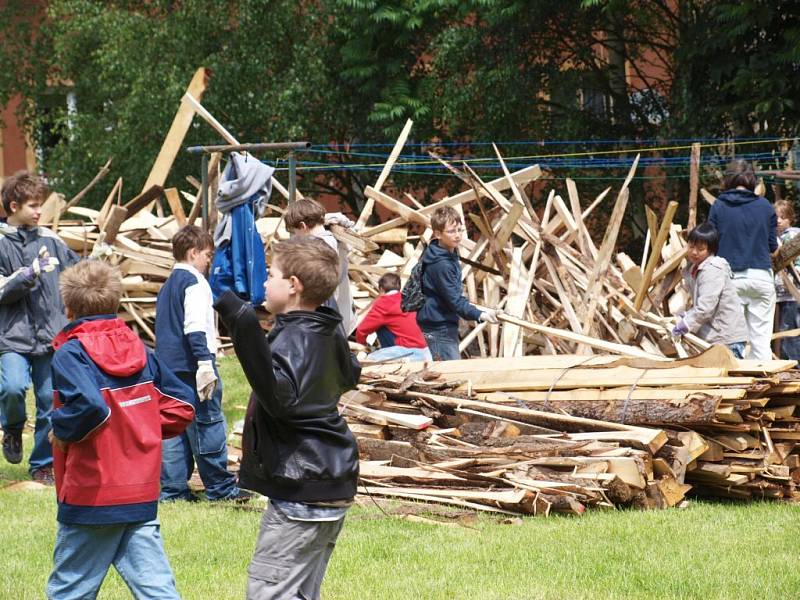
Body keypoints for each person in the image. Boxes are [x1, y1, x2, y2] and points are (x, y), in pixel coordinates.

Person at [214, 236, 361, 600]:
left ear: (293, 286)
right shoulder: (327, 329)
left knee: (270, 593)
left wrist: (242, 323)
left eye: (271, 274)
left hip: (304, 488)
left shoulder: (297, 339)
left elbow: (281, 399)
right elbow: (349, 374)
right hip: (330, 479)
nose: (264, 282)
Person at [46, 260, 195, 599]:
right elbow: (181, 406)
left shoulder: (70, 353)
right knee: (157, 591)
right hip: (140, 492)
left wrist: (61, 429)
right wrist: (138, 423)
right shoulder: (140, 348)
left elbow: (92, 408)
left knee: (69, 590)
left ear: (68, 308)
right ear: (116, 303)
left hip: (93, 493)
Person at [155, 225, 248, 502]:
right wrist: (205, 364)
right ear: (193, 252)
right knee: (207, 423)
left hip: (168, 368)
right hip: (193, 366)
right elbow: (195, 327)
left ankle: (173, 491)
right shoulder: (195, 283)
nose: (210, 261)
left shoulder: (168, 286)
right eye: (207, 255)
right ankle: (220, 489)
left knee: (174, 429)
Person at [0, 171, 79, 483]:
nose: (39, 211)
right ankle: (14, 427)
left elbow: (76, 272)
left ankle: (42, 465)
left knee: (49, 400)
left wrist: (98, 261)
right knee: (12, 388)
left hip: (50, 335)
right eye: (33, 205)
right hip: (12, 337)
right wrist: (25, 275)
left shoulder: (50, 239)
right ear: (13, 205)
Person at [708, 159, 778, 360]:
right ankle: (764, 387)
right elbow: (773, 248)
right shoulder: (765, 206)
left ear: (728, 180)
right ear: (752, 181)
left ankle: (733, 386)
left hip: (731, 280)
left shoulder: (719, 205)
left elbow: (710, 245)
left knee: (733, 342)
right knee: (761, 344)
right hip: (761, 278)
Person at [415, 206, 498, 361]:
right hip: (438, 326)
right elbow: (454, 300)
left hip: (441, 321)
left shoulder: (445, 252)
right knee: (449, 373)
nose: (458, 235)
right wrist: (480, 314)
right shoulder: (441, 264)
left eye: (460, 230)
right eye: (452, 231)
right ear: (438, 234)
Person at [671, 223, 748, 358]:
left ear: (711, 250)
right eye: (691, 246)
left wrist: (686, 324)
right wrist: (686, 316)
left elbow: (705, 308)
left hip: (726, 339)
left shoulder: (712, 269)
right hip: (715, 337)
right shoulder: (695, 268)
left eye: (700, 249)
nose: (694, 252)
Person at [284, 197, 356, 335]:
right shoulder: (333, 240)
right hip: (337, 316)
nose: (295, 237)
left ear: (303, 226)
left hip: (323, 319)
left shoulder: (317, 247)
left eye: (295, 232)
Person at [356, 272, 432, 362]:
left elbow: (362, 330)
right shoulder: (408, 298)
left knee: (371, 357)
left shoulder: (383, 303)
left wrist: (362, 347)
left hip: (409, 350)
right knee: (383, 323)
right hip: (427, 349)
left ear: (381, 289)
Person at [773, 200, 800, 359]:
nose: (778, 221)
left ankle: (795, 365)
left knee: (788, 330)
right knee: (784, 330)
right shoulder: (778, 237)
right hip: (782, 292)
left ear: (790, 218)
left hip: (791, 291)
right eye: (776, 217)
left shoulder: (791, 235)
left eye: (782, 217)